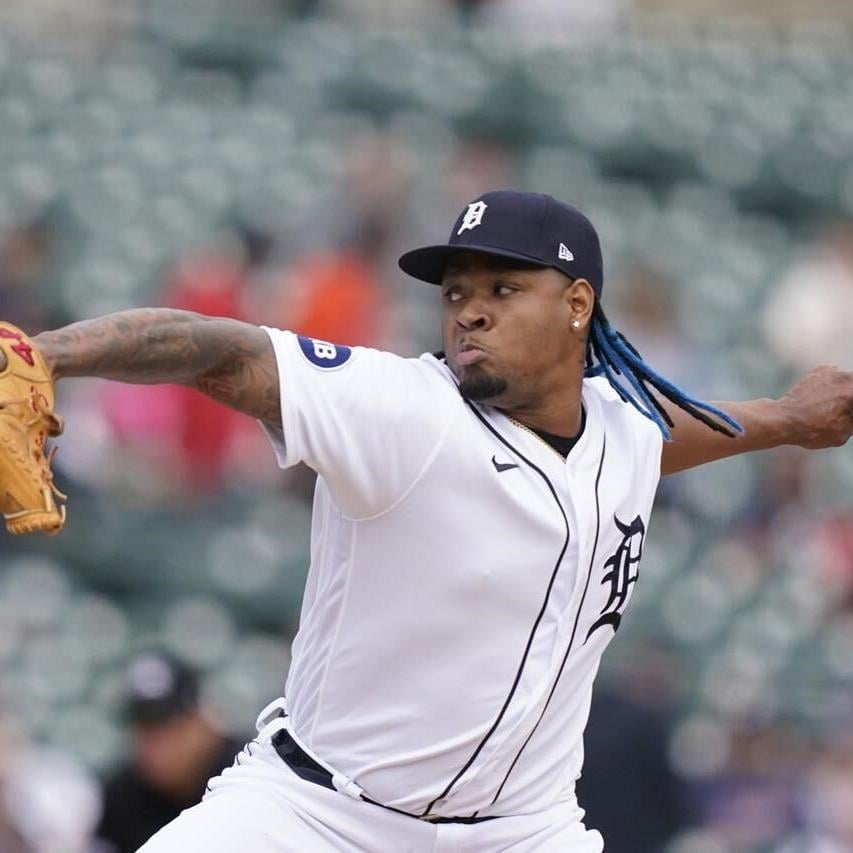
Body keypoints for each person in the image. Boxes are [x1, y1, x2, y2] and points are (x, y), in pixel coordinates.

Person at [16, 190, 853, 852]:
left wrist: (786, 415)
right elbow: (220, 349)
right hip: (319, 816)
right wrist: (45, 355)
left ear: (577, 304)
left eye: (502, 287)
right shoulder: (401, 409)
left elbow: (661, 432)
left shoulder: (622, 428)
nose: (468, 310)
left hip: (523, 830)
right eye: (456, 292)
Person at [95, 652, 241, 853]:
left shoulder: (246, 772)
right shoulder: (121, 796)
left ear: (201, 722)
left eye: (167, 725)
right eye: (142, 727)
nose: (154, 742)